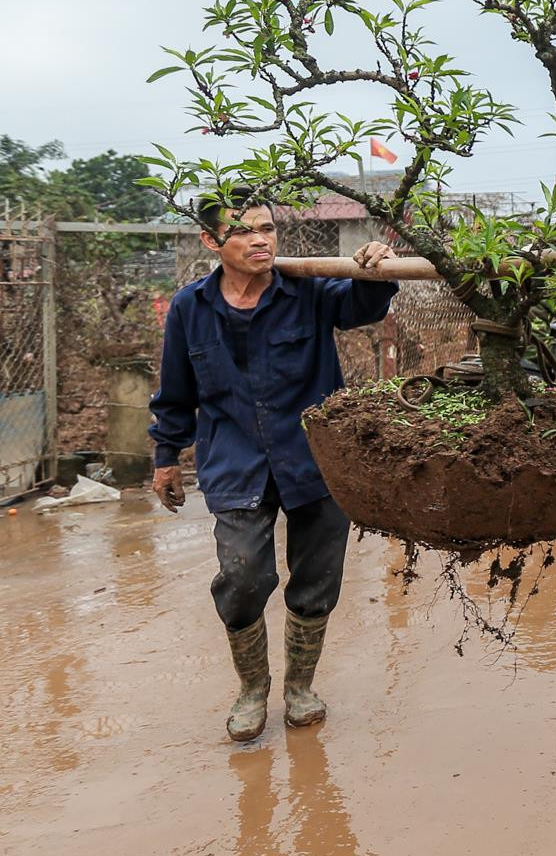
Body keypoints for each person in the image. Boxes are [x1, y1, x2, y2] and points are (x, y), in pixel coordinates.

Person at [149, 190, 397, 742]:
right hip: (235, 462)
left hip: (316, 459)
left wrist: (375, 270)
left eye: (267, 228)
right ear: (211, 242)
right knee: (241, 578)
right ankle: (252, 688)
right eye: (242, 231)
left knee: (316, 580)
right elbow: (175, 390)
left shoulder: (308, 290)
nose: (260, 239)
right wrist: (166, 456)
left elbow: (361, 307)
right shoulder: (191, 308)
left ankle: (300, 687)